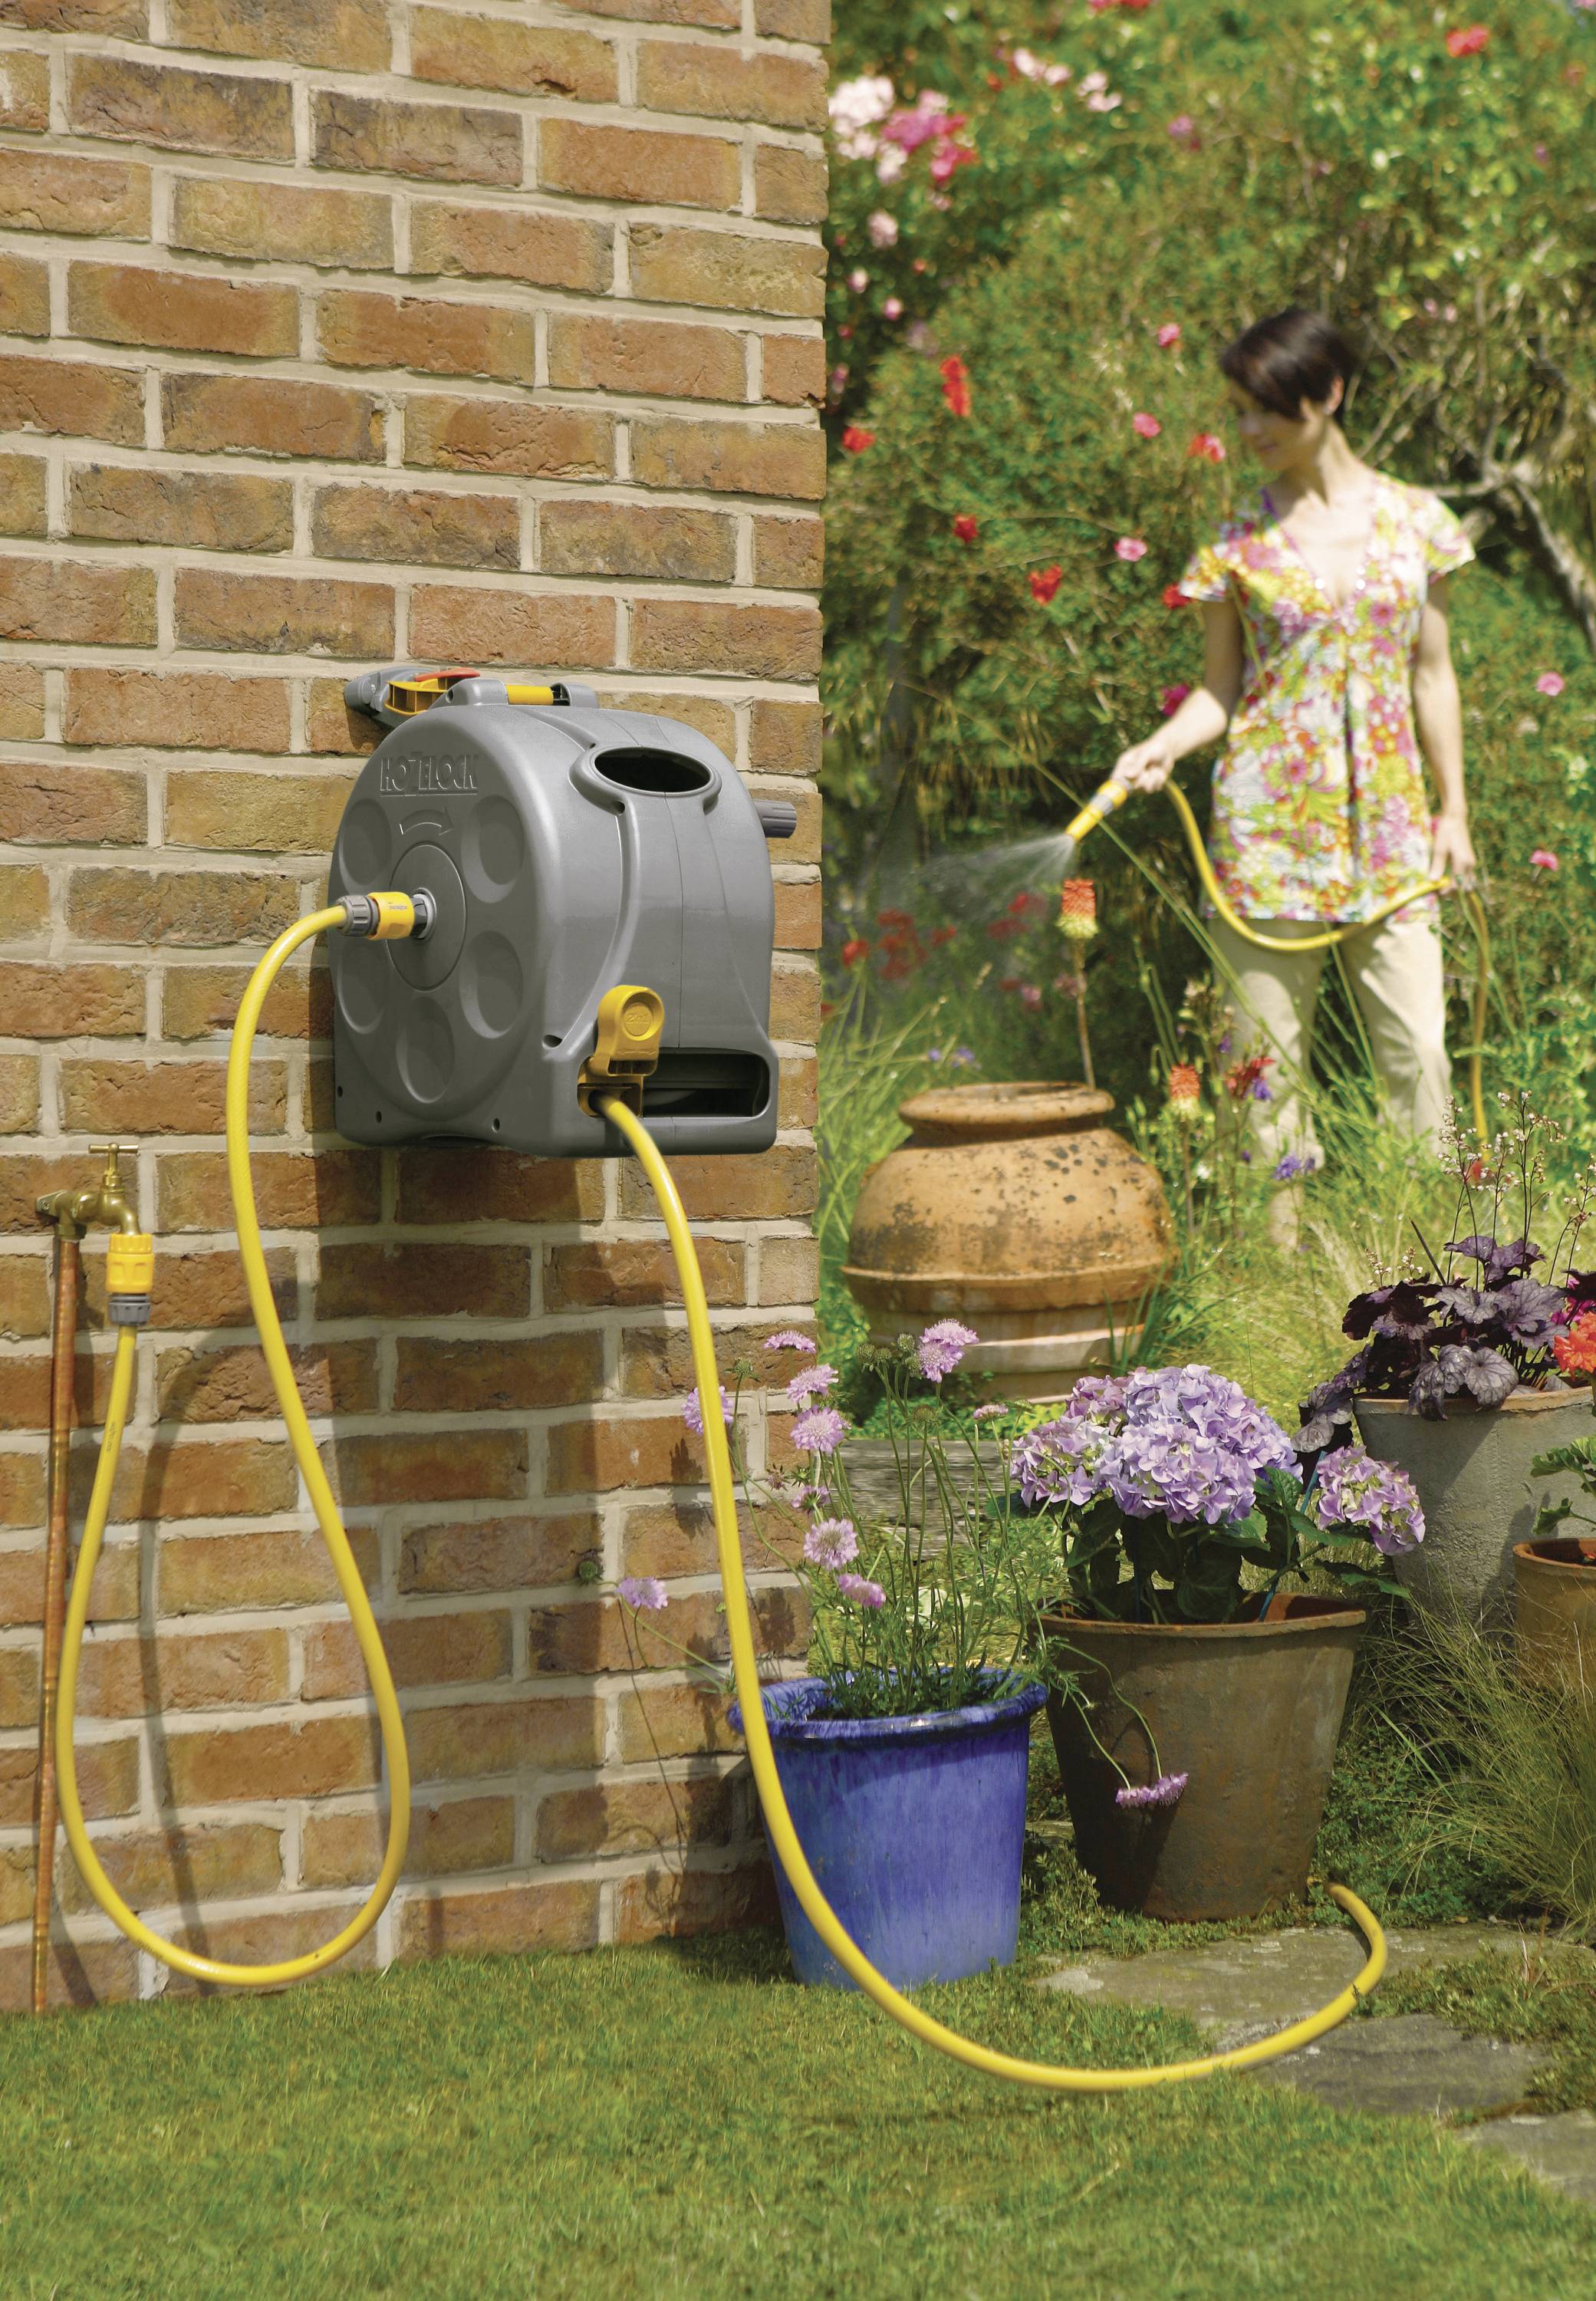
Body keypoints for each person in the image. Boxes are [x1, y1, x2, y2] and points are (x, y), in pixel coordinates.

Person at [1113, 307, 1476, 1190]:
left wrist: (1453, 811)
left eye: (1266, 409)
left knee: (1420, 1058)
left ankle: (1432, 1293)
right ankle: (1271, 1284)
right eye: (1236, 410)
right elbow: (1215, 693)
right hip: (1266, 831)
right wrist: (1158, 747)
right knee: (1262, 1073)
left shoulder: (1414, 522)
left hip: (1392, 833)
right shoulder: (1235, 548)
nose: (1246, 430)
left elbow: (1431, 677)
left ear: (1329, 393)